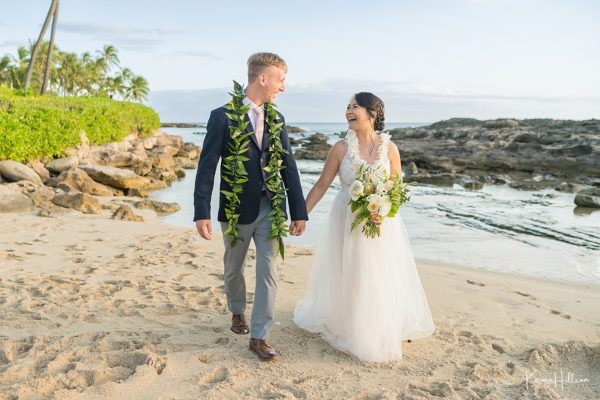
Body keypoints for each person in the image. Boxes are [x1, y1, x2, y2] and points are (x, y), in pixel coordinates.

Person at [293, 92, 435, 362]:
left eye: (354, 106)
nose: (348, 111)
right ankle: (352, 325)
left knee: (378, 273)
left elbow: (397, 189)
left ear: (372, 114)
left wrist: (384, 209)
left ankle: (378, 324)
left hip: (380, 221)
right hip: (346, 217)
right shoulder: (340, 148)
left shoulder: (390, 149)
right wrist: (301, 215)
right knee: (352, 271)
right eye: (347, 107)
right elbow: (322, 184)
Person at [193, 52, 308, 361]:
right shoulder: (222, 116)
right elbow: (207, 166)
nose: (282, 87)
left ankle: (259, 336)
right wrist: (201, 211)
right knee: (233, 268)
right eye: (280, 80)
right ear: (263, 78)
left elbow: (289, 167)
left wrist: (299, 211)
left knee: (269, 269)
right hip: (235, 209)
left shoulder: (277, 119)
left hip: (271, 206)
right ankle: (236, 311)